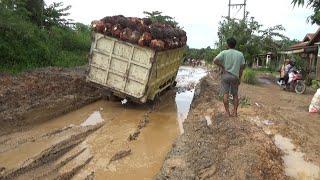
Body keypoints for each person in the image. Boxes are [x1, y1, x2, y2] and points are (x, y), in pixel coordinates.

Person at [213, 37, 245, 117]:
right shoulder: (240, 54)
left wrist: (222, 67)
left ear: (228, 44)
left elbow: (215, 60)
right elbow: (242, 68)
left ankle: (227, 113)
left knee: (225, 94)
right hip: (235, 76)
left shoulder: (224, 52)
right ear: (235, 45)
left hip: (225, 75)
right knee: (235, 95)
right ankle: (235, 112)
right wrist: (240, 78)